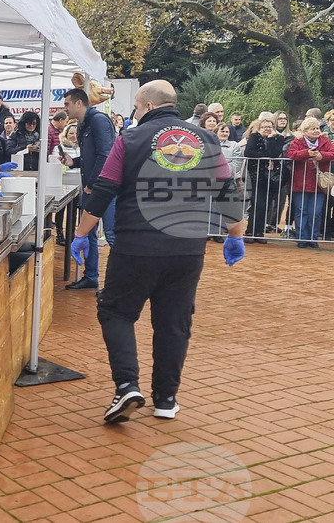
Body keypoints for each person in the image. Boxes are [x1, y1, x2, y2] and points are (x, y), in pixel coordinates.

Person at [68, 80, 245, 423]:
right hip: (187, 247)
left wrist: (80, 234)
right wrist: (234, 234)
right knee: (174, 322)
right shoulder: (207, 139)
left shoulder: (130, 139)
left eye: (135, 106)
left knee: (116, 312)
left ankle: (126, 386)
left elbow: (104, 189)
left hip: (137, 244)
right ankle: (166, 398)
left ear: (147, 106)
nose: (134, 112)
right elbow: (226, 190)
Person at [62, 87, 117, 290]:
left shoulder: (98, 121)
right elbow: (92, 157)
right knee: (89, 233)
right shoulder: (86, 123)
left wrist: (92, 185)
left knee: (111, 235)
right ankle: (91, 276)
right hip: (93, 187)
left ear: (79, 103)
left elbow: (106, 155)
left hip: (103, 189)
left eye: (67, 104)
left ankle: (117, 285)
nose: (64, 108)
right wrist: (73, 162)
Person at [286, 117, 334, 248]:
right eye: (312, 129)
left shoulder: (325, 141)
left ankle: (313, 238)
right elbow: (291, 154)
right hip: (300, 182)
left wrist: (322, 156)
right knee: (301, 210)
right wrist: (306, 153)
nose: (316, 131)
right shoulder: (298, 141)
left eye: (317, 128)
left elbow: (333, 153)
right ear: (305, 130)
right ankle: (302, 238)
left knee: (316, 211)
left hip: (318, 184)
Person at [243, 117, 286, 243]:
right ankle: (250, 231)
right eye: (264, 127)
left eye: (269, 126)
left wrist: (272, 139)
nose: (267, 129)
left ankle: (259, 232)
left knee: (265, 205)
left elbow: (275, 153)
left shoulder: (278, 138)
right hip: (256, 174)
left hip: (271, 177)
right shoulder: (254, 137)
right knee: (257, 203)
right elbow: (249, 152)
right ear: (259, 128)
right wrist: (266, 158)